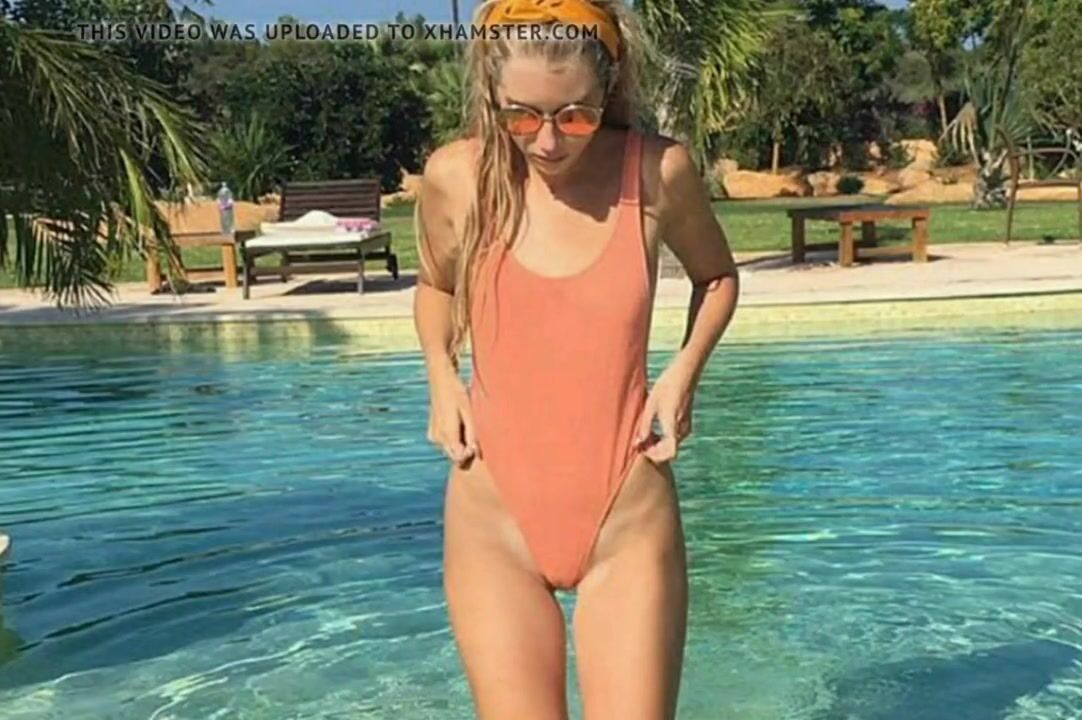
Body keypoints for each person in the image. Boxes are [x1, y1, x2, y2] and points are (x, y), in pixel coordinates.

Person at [412, 0, 739, 717]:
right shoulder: (457, 177)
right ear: (491, 92)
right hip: (492, 522)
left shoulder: (657, 172)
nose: (550, 140)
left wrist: (682, 375)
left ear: (609, 87)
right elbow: (436, 286)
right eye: (521, 116)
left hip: (627, 518)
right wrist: (441, 375)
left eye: (576, 115)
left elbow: (717, 277)